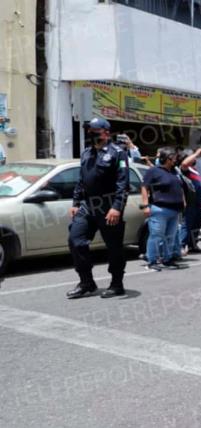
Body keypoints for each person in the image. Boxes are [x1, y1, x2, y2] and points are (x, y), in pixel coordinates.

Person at [66, 117, 130, 299]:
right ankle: (86, 282)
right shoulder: (86, 153)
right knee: (75, 240)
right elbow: (81, 181)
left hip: (109, 205)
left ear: (106, 132)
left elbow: (122, 183)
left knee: (114, 247)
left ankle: (117, 283)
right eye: (89, 130)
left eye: (94, 130)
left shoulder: (118, 153)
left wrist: (117, 207)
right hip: (88, 206)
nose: (90, 133)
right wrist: (76, 203)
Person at [141, 147, 186, 271]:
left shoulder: (174, 172)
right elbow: (144, 187)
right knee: (156, 236)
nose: (176, 160)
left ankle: (167, 259)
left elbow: (180, 188)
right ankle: (152, 261)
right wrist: (145, 205)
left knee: (170, 237)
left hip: (174, 210)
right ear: (167, 159)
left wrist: (183, 202)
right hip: (159, 209)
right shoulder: (153, 171)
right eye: (174, 158)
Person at [178, 148, 201, 254]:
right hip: (190, 202)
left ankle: (193, 245)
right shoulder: (185, 169)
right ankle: (182, 245)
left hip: (198, 202)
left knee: (196, 225)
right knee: (187, 224)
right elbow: (184, 164)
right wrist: (196, 153)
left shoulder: (194, 170)